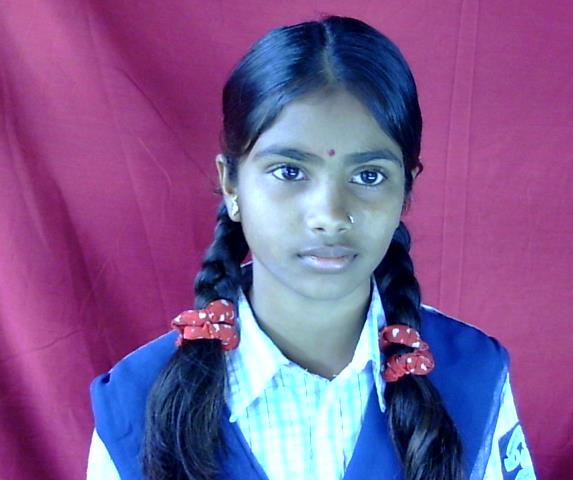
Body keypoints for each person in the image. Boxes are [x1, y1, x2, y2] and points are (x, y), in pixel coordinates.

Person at [88, 15, 535, 480]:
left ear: (406, 189)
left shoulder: (472, 376)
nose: (330, 215)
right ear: (231, 185)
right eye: (289, 171)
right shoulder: (135, 405)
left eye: (368, 176)